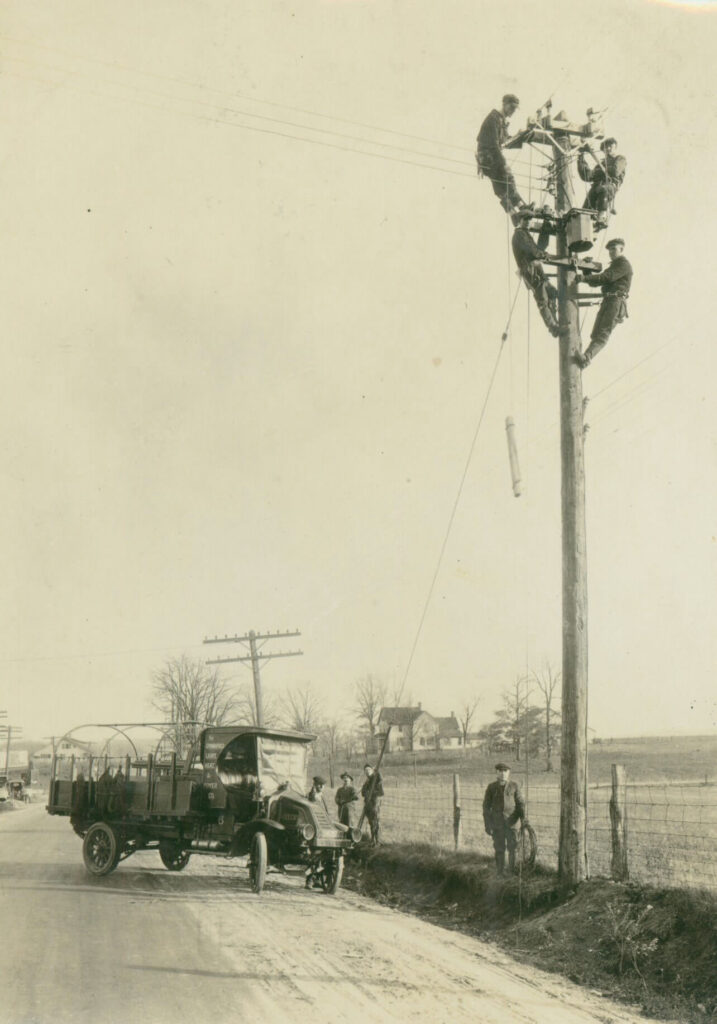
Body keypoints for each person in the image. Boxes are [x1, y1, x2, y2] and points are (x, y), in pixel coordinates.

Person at [575, 238, 633, 369]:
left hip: (616, 301)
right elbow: (596, 282)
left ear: (621, 249)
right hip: (608, 301)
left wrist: (584, 278)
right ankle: (585, 359)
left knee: (603, 334)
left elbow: (607, 277)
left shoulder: (623, 264)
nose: (611, 252)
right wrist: (586, 270)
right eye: (610, 250)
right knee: (596, 334)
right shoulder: (614, 266)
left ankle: (586, 357)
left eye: (614, 249)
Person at [512, 208, 559, 336]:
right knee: (542, 298)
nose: (528, 222)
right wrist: (543, 255)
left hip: (536, 269)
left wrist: (545, 227)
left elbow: (539, 248)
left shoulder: (525, 234)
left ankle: (555, 322)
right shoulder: (519, 234)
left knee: (552, 293)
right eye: (525, 219)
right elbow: (532, 251)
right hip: (530, 271)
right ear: (520, 221)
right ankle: (553, 327)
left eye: (529, 219)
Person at [476, 95, 527, 214]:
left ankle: (514, 213)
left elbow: (505, 141)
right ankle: (521, 207)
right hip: (488, 155)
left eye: (515, 109)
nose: (513, 111)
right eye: (511, 107)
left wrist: (518, 136)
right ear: (504, 104)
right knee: (507, 177)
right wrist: (503, 163)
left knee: (501, 187)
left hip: (488, 156)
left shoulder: (501, 120)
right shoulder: (493, 118)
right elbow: (494, 144)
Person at [483, 762, 525, 876]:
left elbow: (520, 804)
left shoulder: (514, 786)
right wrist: (488, 825)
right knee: (499, 848)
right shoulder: (491, 787)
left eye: (505, 771)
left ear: (509, 772)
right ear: (496, 772)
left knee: (513, 848)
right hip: (497, 824)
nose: (503, 773)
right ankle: (500, 873)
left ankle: (512, 872)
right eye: (500, 771)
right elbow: (486, 807)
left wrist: (523, 818)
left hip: (512, 823)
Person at [577, 138, 627, 230]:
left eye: (610, 146)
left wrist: (598, 171)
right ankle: (585, 228)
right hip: (596, 187)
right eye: (605, 147)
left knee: (603, 189)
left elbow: (615, 171)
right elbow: (587, 176)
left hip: (609, 185)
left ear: (615, 147)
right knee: (584, 211)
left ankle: (601, 217)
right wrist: (580, 158)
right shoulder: (600, 164)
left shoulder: (620, 159)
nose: (608, 149)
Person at [361, 763, 384, 845]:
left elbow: (380, 790)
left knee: (375, 821)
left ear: (372, 770)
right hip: (368, 804)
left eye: (369, 770)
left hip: (375, 802)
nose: (367, 771)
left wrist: (377, 771)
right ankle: (372, 840)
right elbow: (363, 792)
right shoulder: (367, 781)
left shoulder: (376, 778)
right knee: (371, 822)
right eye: (365, 770)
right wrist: (367, 793)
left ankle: (378, 841)